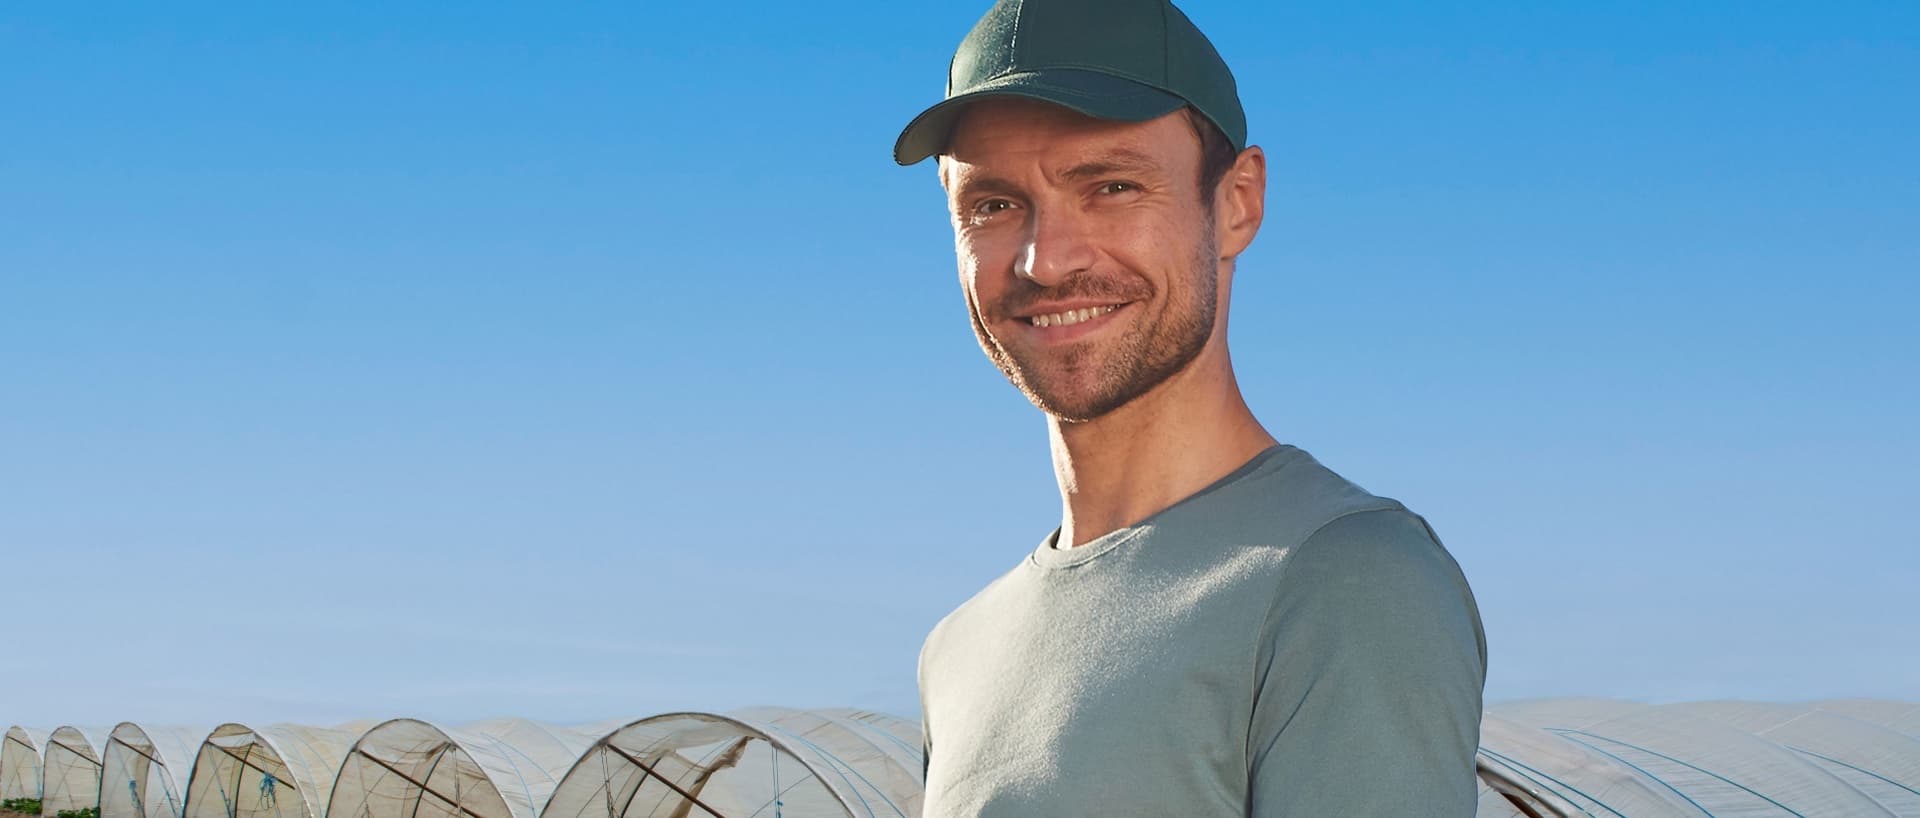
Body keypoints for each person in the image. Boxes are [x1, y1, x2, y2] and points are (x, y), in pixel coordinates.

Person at [892, 0, 1488, 815]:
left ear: (1237, 203)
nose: (1046, 260)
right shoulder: (958, 649)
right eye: (993, 204)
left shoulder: (1345, 579)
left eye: (1112, 186)